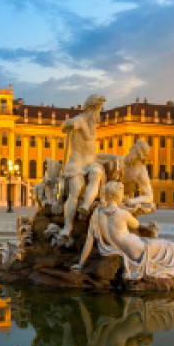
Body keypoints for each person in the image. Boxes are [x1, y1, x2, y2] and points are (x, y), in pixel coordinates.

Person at [75, 182, 174, 280]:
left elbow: (89, 241)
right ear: (117, 195)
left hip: (128, 250)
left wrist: (80, 264)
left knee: (171, 251)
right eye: (121, 194)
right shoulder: (122, 214)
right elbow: (136, 224)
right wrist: (140, 216)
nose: (124, 196)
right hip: (138, 249)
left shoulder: (97, 213)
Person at [57, 95, 107, 246]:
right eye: (99, 110)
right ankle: (68, 227)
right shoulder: (80, 120)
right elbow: (64, 125)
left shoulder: (92, 124)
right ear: (92, 109)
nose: (100, 113)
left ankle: (85, 205)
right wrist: (67, 124)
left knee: (97, 173)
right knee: (75, 190)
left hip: (90, 162)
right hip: (76, 164)